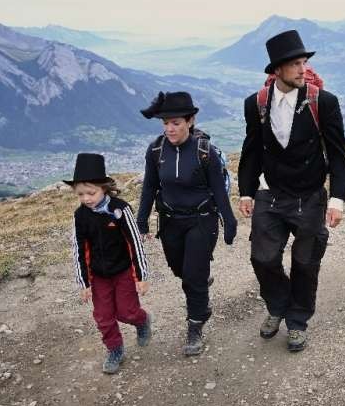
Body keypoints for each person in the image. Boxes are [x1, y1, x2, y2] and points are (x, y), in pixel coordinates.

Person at [238, 30, 345, 352]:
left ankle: (297, 321)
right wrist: (246, 191)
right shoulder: (256, 104)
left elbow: (339, 155)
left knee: (305, 261)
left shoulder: (323, 103)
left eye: (304, 62)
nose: (303, 69)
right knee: (263, 257)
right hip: (270, 193)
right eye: (296, 64)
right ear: (277, 71)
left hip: (310, 195)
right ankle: (278, 305)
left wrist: (338, 199)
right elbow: (252, 151)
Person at [136, 91, 237, 356]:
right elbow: (149, 187)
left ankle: (195, 325)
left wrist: (230, 221)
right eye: (165, 123)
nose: (170, 128)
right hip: (170, 222)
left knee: (192, 277)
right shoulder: (156, 150)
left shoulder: (206, 153)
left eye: (176, 123)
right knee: (179, 269)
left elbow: (218, 190)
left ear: (190, 121)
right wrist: (142, 219)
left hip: (202, 221)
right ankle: (200, 282)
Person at [67, 153, 151, 374]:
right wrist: (84, 282)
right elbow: (79, 248)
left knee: (127, 312)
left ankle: (142, 321)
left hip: (123, 271)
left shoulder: (120, 210)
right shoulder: (80, 216)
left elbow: (135, 243)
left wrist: (141, 276)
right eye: (81, 194)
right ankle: (115, 349)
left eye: (91, 192)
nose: (86, 198)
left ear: (104, 188)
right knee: (103, 317)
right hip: (99, 276)